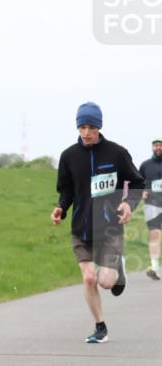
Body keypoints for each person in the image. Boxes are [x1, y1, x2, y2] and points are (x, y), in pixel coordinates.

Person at [51, 102, 144, 343]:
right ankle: (100, 327)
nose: (86, 132)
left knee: (106, 282)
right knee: (90, 277)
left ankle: (118, 269)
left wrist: (128, 204)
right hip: (81, 229)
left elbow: (137, 183)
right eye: (82, 127)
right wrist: (61, 208)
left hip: (110, 228)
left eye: (91, 127)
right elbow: (66, 191)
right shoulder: (69, 156)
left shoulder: (116, 153)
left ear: (99, 126)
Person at [139, 137, 162, 280]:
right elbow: (137, 181)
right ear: (152, 148)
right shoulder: (145, 165)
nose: (158, 147)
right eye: (156, 145)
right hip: (152, 204)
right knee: (154, 234)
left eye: (160, 145)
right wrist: (140, 191)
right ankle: (154, 267)